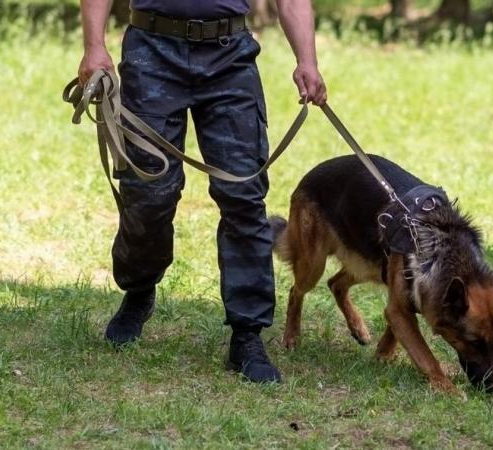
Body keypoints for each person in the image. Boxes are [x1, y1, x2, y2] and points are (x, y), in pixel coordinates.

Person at [77, 0, 327, 383]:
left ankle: (247, 334)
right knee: (148, 194)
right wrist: (94, 46)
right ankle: (140, 288)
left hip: (230, 56)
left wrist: (306, 60)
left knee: (243, 195)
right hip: (152, 50)